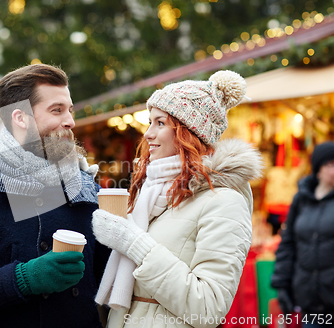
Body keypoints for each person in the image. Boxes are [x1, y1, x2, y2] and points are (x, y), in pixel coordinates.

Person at [0, 64, 111, 328]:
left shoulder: (87, 189)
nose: (70, 121)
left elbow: (109, 285)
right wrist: (25, 278)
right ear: (21, 118)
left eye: (69, 110)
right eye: (56, 110)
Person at [92, 70, 263, 328]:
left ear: (190, 132)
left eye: (160, 123)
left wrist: (135, 243)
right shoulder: (151, 193)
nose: (148, 134)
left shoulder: (225, 201)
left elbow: (208, 307)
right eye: (150, 123)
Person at [271, 141, 334, 327]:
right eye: (329, 164)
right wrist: (282, 285)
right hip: (308, 299)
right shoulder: (301, 199)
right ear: (318, 169)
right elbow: (287, 244)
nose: (333, 170)